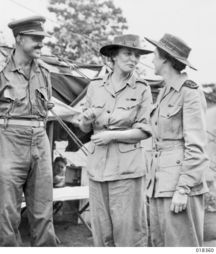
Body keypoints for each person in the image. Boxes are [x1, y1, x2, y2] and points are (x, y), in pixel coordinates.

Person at [0, 16, 56, 246]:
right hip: (7, 142)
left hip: (39, 141)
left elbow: (44, 112)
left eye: (42, 38)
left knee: (43, 210)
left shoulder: (45, 73)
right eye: (35, 38)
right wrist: (1, 141)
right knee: (8, 213)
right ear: (19, 39)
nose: (41, 43)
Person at [77, 34, 153, 246]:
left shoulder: (142, 88)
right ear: (113, 57)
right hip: (97, 170)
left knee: (130, 235)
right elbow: (84, 128)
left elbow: (145, 130)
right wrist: (85, 119)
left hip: (127, 171)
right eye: (128, 54)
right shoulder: (95, 86)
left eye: (136, 55)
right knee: (102, 236)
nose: (134, 59)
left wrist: (111, 136)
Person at [145, 34, 209, 247]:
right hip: (159, 183)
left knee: (182, 245)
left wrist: (183, 189)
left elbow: (196, 146)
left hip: (179, 185)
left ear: (165, 59)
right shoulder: (164, 91)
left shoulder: (189, 91)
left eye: (154, 55)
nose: (152, 60)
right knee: (160, 244)